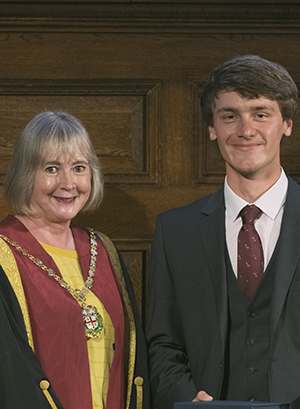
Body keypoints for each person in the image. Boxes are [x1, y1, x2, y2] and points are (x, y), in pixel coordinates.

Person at [146, 55, 300, 408]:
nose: (246, 130)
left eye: (261, 113)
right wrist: (186, 399)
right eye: (230, 116)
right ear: (212, 127)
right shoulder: (176, 230)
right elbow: (162, 343)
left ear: (286, 124)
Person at [0, 111, 149, 409]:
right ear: (26, 174)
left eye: (79, 168)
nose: (68, 183)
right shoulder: (4, 255)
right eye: (52, 169)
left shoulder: (103, 251)